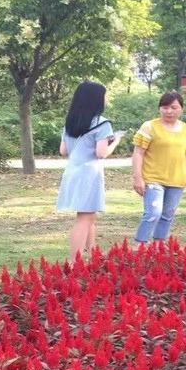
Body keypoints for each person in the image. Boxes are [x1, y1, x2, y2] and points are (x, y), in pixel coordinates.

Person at [56, 81, 123, 261]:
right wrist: (115, 141)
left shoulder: (70, 122)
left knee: (89, 216)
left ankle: (93, 254)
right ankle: (74, 262)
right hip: (89, 174)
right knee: (84, 219)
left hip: (72, 172)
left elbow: (63, 151)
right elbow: (101, 153)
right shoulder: (102, 124)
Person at [131, 91, 186, 246]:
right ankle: (140, 244)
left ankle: (159, 245)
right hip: (153, 178)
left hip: (177, 179)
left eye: (173, 107)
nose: (169, 111)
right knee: (153, 213)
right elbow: (138, 152)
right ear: (159, 109)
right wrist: (137, 177)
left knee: (168, 214)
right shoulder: (149, 126)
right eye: (164, 107)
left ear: (181, 109)